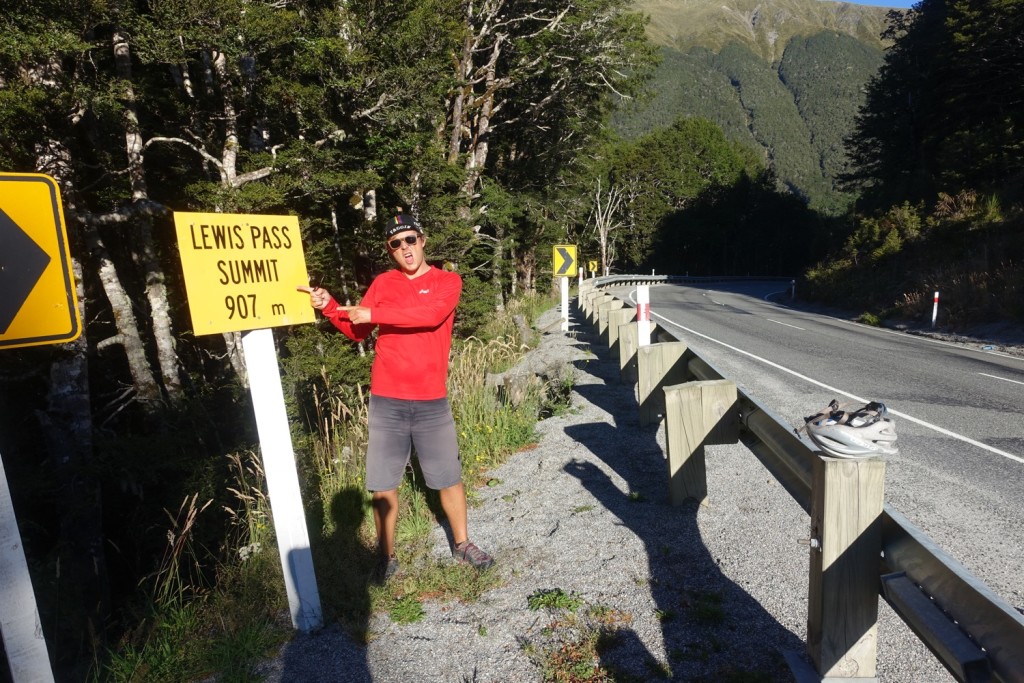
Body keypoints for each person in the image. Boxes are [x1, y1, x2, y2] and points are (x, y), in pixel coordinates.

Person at [297, 213, 493, 582]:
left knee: (448, 476)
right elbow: (357, 329)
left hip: (431, 398)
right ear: (390, 250)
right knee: (383, 481)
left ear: (423, 240)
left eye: (410, 240)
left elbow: (431, 315)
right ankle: (386, 557)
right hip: (387, 398)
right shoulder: (384, 283)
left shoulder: (446, 281)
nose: (404, 248)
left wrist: (375, 312)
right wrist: (329, 306)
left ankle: (463, 543)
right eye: (395, 244)